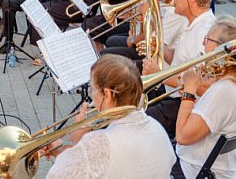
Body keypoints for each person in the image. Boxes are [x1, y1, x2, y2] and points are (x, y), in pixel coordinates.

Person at [45, 55, 175, 179]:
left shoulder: (98, 143)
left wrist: (78, 140)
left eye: (93, 89)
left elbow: (56, 176)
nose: (92, 97)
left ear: (107, 94)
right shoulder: (156, 127)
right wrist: (62, 150)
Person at [176, 16, 236, 179]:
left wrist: (189, 92)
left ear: (223, 50)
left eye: (207, 39)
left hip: (195, 169)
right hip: (218, 166)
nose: (203, 44)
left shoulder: (224, 90)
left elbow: (183, 136)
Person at [143, 0, 216, 138]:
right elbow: (181, 59)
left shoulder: (205, 33)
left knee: (133, 124)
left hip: (184, 105)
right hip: (174, 95)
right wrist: (161, 48)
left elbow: (201, 86)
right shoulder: (193, 23)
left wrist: (158, 74)